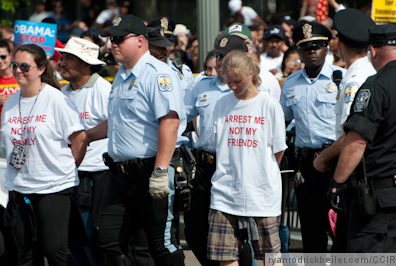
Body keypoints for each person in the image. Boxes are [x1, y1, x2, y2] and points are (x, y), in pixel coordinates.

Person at [86, 14, 188, 265]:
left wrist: (161, 171)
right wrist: (87, 135)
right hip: (120, 175)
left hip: (151, 171)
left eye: (119, 39)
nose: (113, 44)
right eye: (111, 39)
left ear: (141, 40)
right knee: (109, 241)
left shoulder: (158, 73)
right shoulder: (121, 74)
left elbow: (170, 122)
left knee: (161, 246)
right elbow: (121, 120)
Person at [1, 44, 88, 265]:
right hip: (20, 187)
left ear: (41, 68)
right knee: (26, 253)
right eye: (14, 65)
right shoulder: (10, 103)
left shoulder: (56, 99)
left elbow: (79, 139)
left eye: (24, 66)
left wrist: (67, 169)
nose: (18, 70)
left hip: (54, 187)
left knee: (54, 249)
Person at [207, 49, 286, 266]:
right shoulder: (222, 104)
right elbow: (216, 144)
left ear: (251, 73)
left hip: (262, 193)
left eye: (237, 81)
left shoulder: (268, 104)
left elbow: (279, 149)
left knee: (271, 258)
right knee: (225, 258)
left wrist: (261, 170)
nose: (232, 86)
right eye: (228, 81)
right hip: (225, 192)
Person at [331, 23, 396, 253]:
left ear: (372, 51)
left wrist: (336, 184)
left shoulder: (376, 86)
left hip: (380, 202)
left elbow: (357, 141)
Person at [313, 8, 376, 253]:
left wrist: (323, 158)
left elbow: (351, 134)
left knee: (346, 243)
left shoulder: (353, 80)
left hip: (352, 170)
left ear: (340, 45)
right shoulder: (367, 72)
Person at [280, 21, 346, 253]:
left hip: (336, 162)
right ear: (299, 51)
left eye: (317, 46)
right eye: (306, 48)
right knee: (311, 231)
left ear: (327, 48)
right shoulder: (290, 84)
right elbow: (282, 124)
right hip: (306, 165)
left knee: (340, 230)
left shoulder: (342, 79)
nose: (312, 52)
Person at [184, 35, 248, 266]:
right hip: (204, 166)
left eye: (225, 56)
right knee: (194, 229)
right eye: (218, 56)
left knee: (236, 234)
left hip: (234, 167)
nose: (220, 61)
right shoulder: (201, 85)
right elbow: (180, 118)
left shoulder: (247, 91)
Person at [56, 37, 111, 266]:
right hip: (69, 176)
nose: (62, 62)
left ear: (87, 64)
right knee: (73, 241)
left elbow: (117, 122)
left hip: (97, 174)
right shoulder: (63, 93)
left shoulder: (103, 89)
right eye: (63, 57)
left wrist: (87, 137)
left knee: (90, 237)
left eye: (69, 58)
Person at [147, 17, 194, 98]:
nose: (164, 49)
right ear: (148, 45)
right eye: (159, 46)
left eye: (167, 44)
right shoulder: (140, 71)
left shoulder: (183, 71)